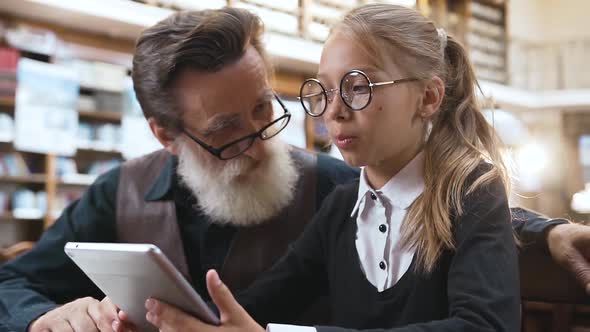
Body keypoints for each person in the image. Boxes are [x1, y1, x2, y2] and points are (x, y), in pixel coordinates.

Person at [0, 6, 588, 332]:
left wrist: (545, 230)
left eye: (264, 109)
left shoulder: (330, 185)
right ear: (166, 136)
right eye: (226, 130)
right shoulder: (116, 194)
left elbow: (440, 202)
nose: (259, 142)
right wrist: (51, 319)